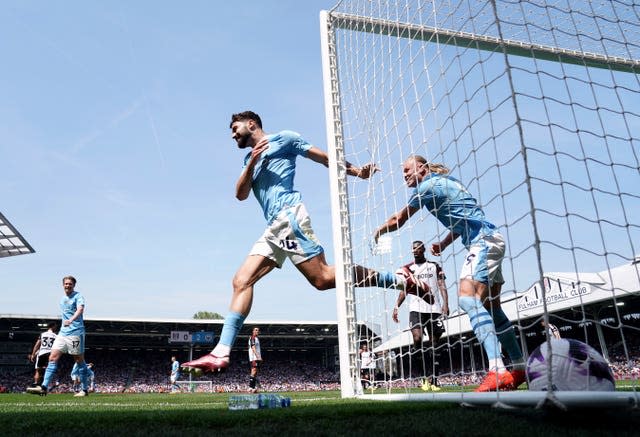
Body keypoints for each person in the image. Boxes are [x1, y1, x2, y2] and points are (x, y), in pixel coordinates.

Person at [182, 111, 406, 374]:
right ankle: (221, 352)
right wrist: (252, 162)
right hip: (273, 227)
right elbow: (240, 194)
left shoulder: (285, 139)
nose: (233, 135)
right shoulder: (248, 158)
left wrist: (357, 171)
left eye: (235, 128)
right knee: (242, 281)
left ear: (251, 124)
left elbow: (323, 158)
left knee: (322, 277)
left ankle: (398, 278)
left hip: (289, 217)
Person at [374, 155, 526, 392]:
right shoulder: (447, 182)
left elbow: (399, 219)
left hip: (483, 243)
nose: (403, 175)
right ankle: (519, 367)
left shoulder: (426, 187)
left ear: (422, 168)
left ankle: (497, 369)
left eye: (407, 170)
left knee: (467, 298)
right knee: (493, 310)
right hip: (492, 239)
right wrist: (444, 244)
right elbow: (463, 220)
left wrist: (379, 230)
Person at [392, 240, 449, 392]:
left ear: (423, 250)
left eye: (418, 248)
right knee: (417, 339)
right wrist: (397, 306)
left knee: (435, 344)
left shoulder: (434, 266)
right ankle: (424, 377)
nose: (415, 251)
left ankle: (435, 380)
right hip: (415, 309)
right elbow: (404, 290)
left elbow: (442, 285)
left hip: (434, 308)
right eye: (413, 249)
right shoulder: (408, 268)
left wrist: (445, 304)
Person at [27, 276, 91, 397]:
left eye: (70, 284)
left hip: (76, 333)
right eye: (66, 284)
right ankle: (44, 387)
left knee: (79, 360)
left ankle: (84, 389)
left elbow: (80, 309)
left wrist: (71, 320)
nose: (68, 285)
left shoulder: (78, 296)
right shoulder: (62, 299)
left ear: (74, 285)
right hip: (62, 333)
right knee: (52, 358)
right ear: (63, 285)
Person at [28, 322, 57, 387]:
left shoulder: (42, 334)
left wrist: (33, 354)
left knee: (38, 370)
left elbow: (37, 345)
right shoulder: (56, 336)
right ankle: (45, 384)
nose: (56, 328)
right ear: (52, 326)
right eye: (55, 326)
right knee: (49, 369)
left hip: (42, 353)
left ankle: (36, 383)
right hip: (50, 354)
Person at [248, 327, 262, 393]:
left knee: (255, 372)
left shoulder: (257, 339)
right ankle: (250, 387)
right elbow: (253, 347)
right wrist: (258, 356)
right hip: (254, 357)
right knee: (253, 371)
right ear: (253, 331)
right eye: (256, 330)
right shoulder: (252, 338)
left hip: (256, 357)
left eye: (258, 330)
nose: (257, 331)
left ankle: (253, 387)